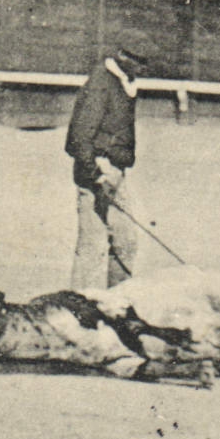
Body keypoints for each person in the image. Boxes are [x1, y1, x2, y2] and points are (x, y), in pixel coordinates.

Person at [65, 48, 149, 290]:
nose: (144, 69)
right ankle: (80, 308)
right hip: (97, 171)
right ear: (124, 57)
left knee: (125, 241)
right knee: (92, 245)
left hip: (114, 171)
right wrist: (95, 174)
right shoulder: (102, 84)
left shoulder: (121, 83)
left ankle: (118, 301)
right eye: (140, 62)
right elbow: (80, 136)